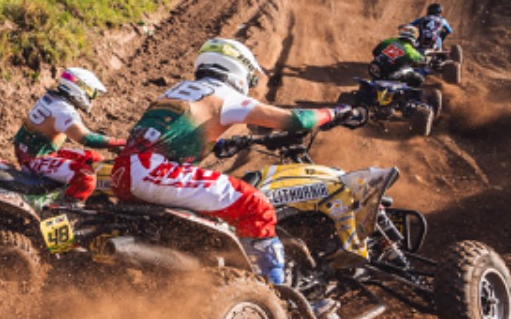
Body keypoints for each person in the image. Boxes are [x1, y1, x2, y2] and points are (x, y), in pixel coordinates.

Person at [113, 38, 357, 286]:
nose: (249, 84)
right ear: (240, 70)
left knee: (213, 220)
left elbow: (172, 133)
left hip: (125, 172)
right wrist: (336, 112)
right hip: (152, 172)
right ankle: (274, 293)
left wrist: (220, 144)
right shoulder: (224, 93)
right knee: (256, 205)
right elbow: (296, 121)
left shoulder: (179, 90)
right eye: (251, 78)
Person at [12, 68, 120, 200]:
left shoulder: (52, 98)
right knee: (86, 176)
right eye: (92, 94)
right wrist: (121, 142)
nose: (91, 99)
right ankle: (67, 206)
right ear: (80, 88)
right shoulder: (63, 110)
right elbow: (86, 138)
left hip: (38, 153)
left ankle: (91, 197)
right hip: (36, 160)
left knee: (95, 159)